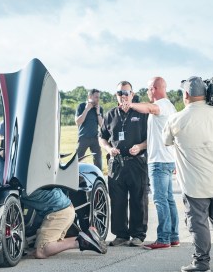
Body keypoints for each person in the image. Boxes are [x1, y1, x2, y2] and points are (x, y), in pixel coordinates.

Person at [163, 76, 213, 272]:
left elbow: (166, 141)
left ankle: (201, 262)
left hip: (194, 184)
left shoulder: (176, 119)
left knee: (197, 222)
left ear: (186, 95)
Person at [125, 77, 179, 250]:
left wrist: (131, 104)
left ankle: (163, 239)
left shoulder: (161, 105)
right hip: (168, 159)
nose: (147, 92)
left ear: (154, 88)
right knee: (169, 199)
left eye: (148, 89)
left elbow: (150, 108)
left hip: (159, 162)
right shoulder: (171, 106)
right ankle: (174, 236)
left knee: (160, 200)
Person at [99, 81, 149, 247]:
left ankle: (138, 235)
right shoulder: (110, 115)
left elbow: (153, 138)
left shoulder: (142, 114)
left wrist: (141, 146)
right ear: (116, 96)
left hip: (137, 162)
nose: (123, 96)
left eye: (126, 93)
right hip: (116, 164)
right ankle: (121, 235)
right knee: (117, 200)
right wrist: (108, 148)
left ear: (132, 94)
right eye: (120, 93)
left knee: (138, 199)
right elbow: (102, 137)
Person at [21, 187, 107, 258]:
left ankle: (82, 240)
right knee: (42, 248)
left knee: (41, 251)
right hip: (64, 208)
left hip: (59, 212)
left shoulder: (20, 182)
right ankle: (85, 238)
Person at [75, 89, 104, 169]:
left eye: (99, 97)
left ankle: (99, 177)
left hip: (95, 138)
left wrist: (98, 113)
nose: (98, 99)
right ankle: (73, 176)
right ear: (90, 96)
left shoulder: (99, 108)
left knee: (98, 160)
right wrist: (86, 109)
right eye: (96, 97)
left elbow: (102, 125)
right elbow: (78, 122)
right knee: (77, 159)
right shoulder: (81, 106)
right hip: (83, 138)